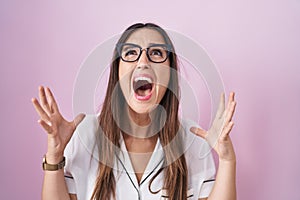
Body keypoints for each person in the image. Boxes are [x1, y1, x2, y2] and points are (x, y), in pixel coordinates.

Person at [32, 23, 237, 200]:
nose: (143, 62)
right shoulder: (86, 133)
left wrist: (228, 161)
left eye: (156, 53)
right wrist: (55, 155)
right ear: (117, 70)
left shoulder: (193, 138)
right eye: (130, 52)